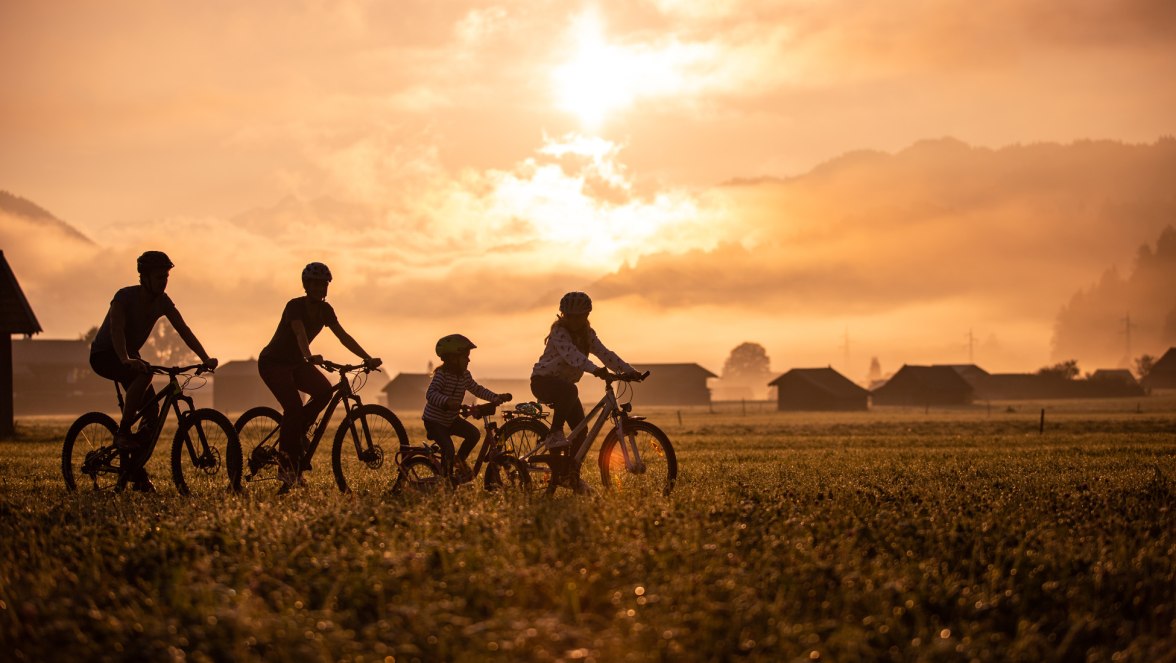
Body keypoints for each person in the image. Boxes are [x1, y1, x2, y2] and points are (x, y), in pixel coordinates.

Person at [88, 250, 218, 492]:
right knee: (145, 374)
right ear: (144, 278)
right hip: (106, 355)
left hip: (130, 357)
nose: (164, 281)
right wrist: (126, 358)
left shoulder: (163, 301)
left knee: (152, 413)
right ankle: (123, 432)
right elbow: (116, 330)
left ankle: (136, 474)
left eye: (166, 276)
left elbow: (184, 329)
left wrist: (205, 357)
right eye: (159, 277)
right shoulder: (123, 298)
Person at [257, 262, 381, 493]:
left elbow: (343, 336)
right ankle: (285, 467)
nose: (320, 288)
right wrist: (309, 355)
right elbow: (299, 332)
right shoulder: (294, 306)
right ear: (306, 285)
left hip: (297, 363)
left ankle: (298, 433)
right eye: (315, 284)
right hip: (273, 363)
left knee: (324, 391)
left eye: (324, 284)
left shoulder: (326, 310)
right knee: (293, 408)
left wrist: (368, 358)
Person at [530, 291, 638, 454]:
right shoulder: (559, 332)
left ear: (586, 315)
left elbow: (605, 353)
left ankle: (568, 475)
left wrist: (629, 371)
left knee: (580, 434)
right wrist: (595, 370)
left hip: (565, 388)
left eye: (578, 316)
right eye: (569, 316)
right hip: (543, 382)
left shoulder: (587, 334)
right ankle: (554, 434)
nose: (574, 321)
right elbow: (572, 356)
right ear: (563, 315)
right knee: (570, 391)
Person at [423, 334, 510, 481]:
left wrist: (496, 397)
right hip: (435, 422)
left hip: (451, 419)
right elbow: (430, 394)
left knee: (474, 434)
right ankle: (445, 481)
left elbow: (477, 389)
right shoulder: (442, 375)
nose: (469, 360)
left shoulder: (464, 375)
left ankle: (459, 461)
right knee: (448, 449)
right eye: (465, 357)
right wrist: (447, 401)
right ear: (452, 359)